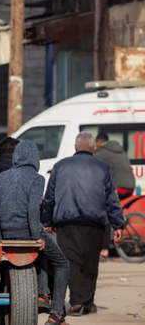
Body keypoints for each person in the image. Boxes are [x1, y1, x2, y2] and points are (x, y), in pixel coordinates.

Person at [0, 140, 70, 324]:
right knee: (62, 263)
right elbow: (33, 209)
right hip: (28, 232)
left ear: (16, 157)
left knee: (42, 255)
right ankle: (56, 313)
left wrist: (0, 238)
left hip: (6, 235)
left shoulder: (1, 177)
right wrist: (35, 238)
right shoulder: (37, 178)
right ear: (35, 158)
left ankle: (41, 295)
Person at [42, 132, 126, 317]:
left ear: (75, 147)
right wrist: (119, 224)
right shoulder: (104, 167)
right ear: (93, 148)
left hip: (66, 222)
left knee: (71, 260)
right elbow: (112, 199)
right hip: (95, 222)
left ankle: (77, 300)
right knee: (90, 262)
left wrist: (46, 221)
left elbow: (50, 197)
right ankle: (87, 301)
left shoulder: (60, 166)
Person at [94, 132, 137, 260]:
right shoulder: (120, 150)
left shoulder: (101, 152)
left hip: (118, 186)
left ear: (99, 142)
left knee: (105, 212)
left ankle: (105, 249)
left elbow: (91, 165)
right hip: (130, 186)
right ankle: (121, 220)